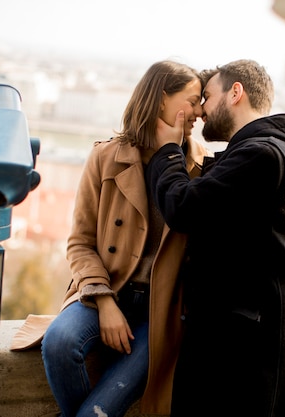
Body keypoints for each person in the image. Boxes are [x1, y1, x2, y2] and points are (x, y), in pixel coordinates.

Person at [25, 60, 209, 417]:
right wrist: (105, 301)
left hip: (160, 310)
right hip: (105, 290)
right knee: (60, 341)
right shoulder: (105, 157)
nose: (201, 111)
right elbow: (80, 241)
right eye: (194, 100)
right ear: (161, 101)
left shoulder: (202, 167)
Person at [147, 59, 285, 417]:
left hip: (241, 360)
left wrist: (167, 150)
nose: (202, 111)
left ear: (236, 92)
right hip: (242, 346)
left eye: (207, 97)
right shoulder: (270, 152)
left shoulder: (262, 154)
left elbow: (182, 207)